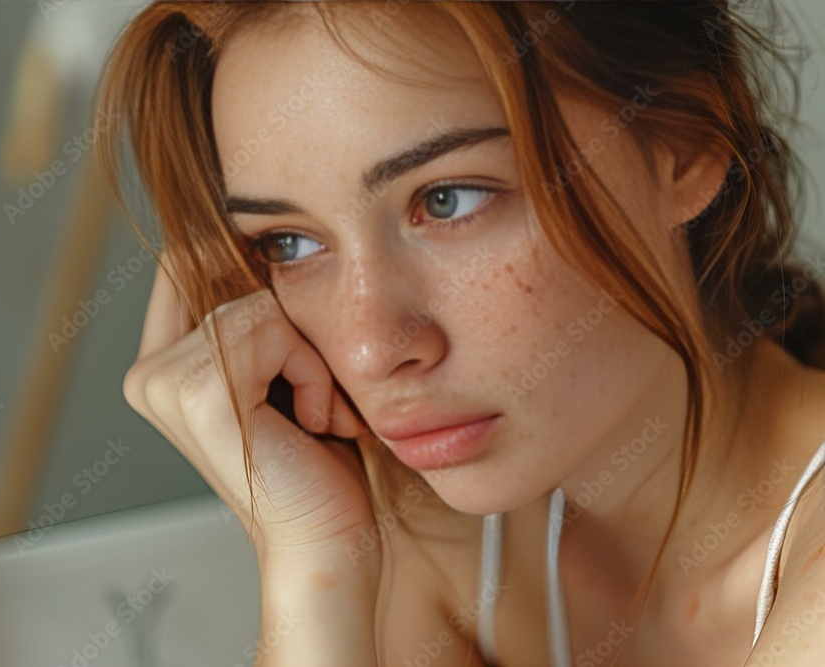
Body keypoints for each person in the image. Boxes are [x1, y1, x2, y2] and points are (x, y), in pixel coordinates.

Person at [96, 2, 825, 665]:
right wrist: (311, 560)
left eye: (447, 200)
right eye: (289, 244)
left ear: (683, 147)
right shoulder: (446, 538)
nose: (367, 350)